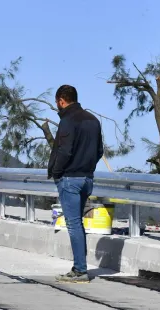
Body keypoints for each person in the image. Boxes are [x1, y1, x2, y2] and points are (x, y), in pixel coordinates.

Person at [48, 85, 103, 283]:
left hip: (70, 179)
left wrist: (56, 173)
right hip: (87, 178)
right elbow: (99, 151)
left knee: (73, 225)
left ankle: (80, 270)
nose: (58, 107)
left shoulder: (67, 120)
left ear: (61, 100)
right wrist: (87, 167)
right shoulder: (93, 120)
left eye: (57, 103)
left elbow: (65, 151)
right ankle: (78, 267)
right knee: (77, 224)